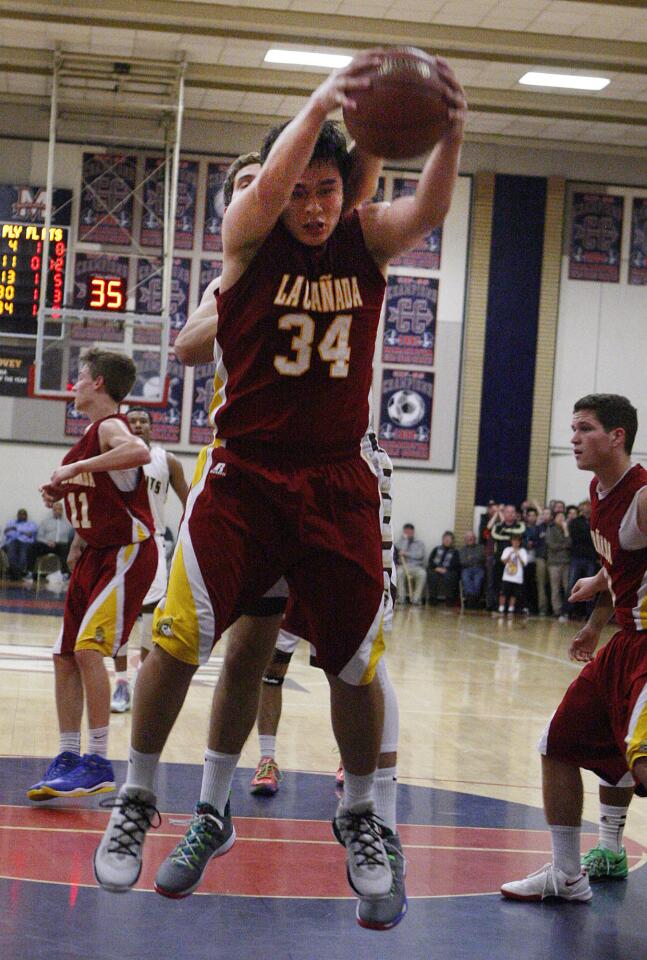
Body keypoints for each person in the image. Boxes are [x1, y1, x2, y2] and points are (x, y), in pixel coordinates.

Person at [93, 52, 466, 912]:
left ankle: (364, 814)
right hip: (246, 474)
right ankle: (144, 793)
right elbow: (263, 201)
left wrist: (449, 131)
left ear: (346, 189)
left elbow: (429, 205)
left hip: (336, 481)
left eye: (325, 190)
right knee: (187, 640)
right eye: (297, 187)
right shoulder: (251, 235)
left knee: (351, 662)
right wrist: (321, 100)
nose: (310, 205)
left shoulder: (365, 240)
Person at [501, 393, 647, 903]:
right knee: (557, 744)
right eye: (573, 429)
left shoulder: (643, 496)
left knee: (644, 767)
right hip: (624, 641)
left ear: (617, 437)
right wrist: (597, 608)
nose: (573, 439)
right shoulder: (598, 493)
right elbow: (626, 567)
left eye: (584, 429)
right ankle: (566, 875)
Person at [27, 348, 157, 801]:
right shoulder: (88, 434)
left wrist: (77, 469)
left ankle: (98, 761)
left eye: (80, 376)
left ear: (99, 382)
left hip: (125, 552)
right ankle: (67, 755)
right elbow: (98, 495)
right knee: (64, 655)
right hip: (94, 554)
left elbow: (138, 451)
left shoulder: (110, 426)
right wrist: (59, 493)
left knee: (87, 650)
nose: (75, 384)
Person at [110, 407, 189, 713]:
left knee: (149, 612)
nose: (139, 424)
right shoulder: (114, 456)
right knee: (120, 616)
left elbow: (189, 502)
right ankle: (120, 682)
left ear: (152, 428)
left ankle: (142, 676)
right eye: (133, 421)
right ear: (125, 427)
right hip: (119, 543)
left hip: (152, 541)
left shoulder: (167, 461)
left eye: (144, 421)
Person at [566, 500, 598, 621]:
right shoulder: (575, 522)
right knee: (572, 584)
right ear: (581, 508)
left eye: (590, 505)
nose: (588, 508)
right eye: (585, 506)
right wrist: (588, 535)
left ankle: (589, 613)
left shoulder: (595, 520)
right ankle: (568, 611)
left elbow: (596, 537)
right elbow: (576, 537)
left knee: (591, 586)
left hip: (590, 557)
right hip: (577, 557)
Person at [545, 509, 571, 622]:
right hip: (554, 563)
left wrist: (565, 530)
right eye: (558, 517)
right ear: (554, 519)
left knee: (567, 587)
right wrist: (564, 545)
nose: (561, 519)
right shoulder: (550, 529)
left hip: (566, 562)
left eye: (562, 517)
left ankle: (567, 610)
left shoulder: (567, 529)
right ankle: (557, 610)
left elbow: (569, 543)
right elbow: (552, 546)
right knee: (555, 588)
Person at [35, 502, 74, 577]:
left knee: (66, 548)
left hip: (62, 545)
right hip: (47, 545)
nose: (57, 511)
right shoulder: (46, 521)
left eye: (59, 509)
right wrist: (47, 542)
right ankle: (33, 573)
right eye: (55, 509)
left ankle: (65, 573)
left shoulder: (68, 523)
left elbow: (71, 537)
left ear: (62, 510)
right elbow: (39, 536)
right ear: (52, 510)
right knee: (34, 547)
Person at [395, 522, 427, 605]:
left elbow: (420, 555)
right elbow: (397, 552)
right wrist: (405, 540)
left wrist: (406, 554)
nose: (408, 533)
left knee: (422, 574)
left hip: (416, 567)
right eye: (406, 532)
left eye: (409, 532)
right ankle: (401, 598)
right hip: (403, 566)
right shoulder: (400, 542)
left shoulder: (420, 543)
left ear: (413, 532)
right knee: (398, 572)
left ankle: (416, 598)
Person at [2, 508, 38, 579]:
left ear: (26, 516)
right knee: (11, 555)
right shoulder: (11, 523)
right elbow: (7, 533)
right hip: (13, 541)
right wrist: (23, 532)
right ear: (17, 515)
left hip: (25, 542)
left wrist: (15, 529)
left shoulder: (31, 524)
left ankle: (15, 574)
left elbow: (30, 533)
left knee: (23, 556)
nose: (21, 516)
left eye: (23, 514)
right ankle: (17, 574)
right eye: (20, 514)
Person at [427, 531, 460, 605]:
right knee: (432, 575)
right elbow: (430, 561)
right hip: (436, 569)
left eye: (449, 539)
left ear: (452, 541)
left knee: (451, 576)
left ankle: (449, 600)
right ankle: (433, 599)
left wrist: (446, 570)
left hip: (448, 570)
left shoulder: (455, 552)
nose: (447, 540)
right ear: (443, 539)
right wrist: (436, 568)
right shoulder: (436, 549)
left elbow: (456, 564)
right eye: (445, 539)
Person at [498, 532, 527, 616]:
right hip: (507, 576)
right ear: (511, 542)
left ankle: (511, 609)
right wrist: (510, 555)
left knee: (514, 594)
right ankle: (501, 608)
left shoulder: (523, 551)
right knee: (503, 593)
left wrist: (518, 556)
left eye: (517, 541)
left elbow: (524, 564)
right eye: (514, 541)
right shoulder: (507, 549)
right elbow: (503, 561)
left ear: (520, 542)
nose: (515, 543)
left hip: (517, 577)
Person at [458, 530, 485, 606]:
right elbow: (463, 561)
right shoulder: (462, 550)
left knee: (478, 579)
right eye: (468, 537)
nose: (470, 539)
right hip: (466, 569)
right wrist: (475, 558)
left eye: (472, 537)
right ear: (465, 539)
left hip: (479, 568)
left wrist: (470, 558)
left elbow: (482, 559)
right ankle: (473, 599)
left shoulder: (481, 547)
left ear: (475, 538)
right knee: (466, 578)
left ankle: (471, 599)